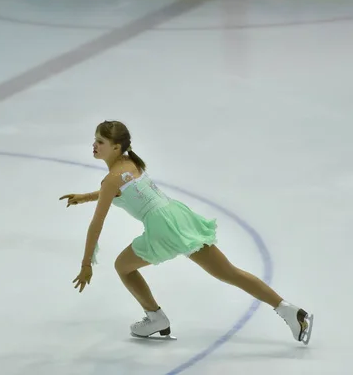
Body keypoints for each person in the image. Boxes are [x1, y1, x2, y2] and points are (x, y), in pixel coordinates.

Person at [60, 120, 313, 345]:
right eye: (95, 140)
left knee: (123, 267)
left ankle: (155, 317)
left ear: (116, 147)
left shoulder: (112, 179)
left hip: (162, 226)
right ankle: (290, 311)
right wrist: (86, 197)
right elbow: (122, 190)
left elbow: (97, 223)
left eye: (100, 142)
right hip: (177, 215)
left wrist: (86, 264)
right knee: (228, 272)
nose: (94, 145)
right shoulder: (129, 162)